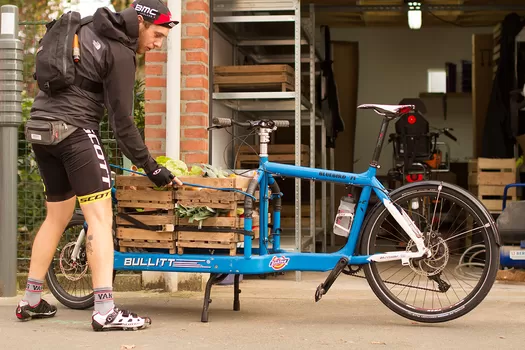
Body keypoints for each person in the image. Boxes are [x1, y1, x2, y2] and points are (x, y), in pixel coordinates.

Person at [15, 0, 182, 332]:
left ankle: (30, 301)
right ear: (142, 23)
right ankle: (105, 309)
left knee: (57, 215)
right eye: (158, 35)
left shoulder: (88, 26)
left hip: (40, 129)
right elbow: (123, 126)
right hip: (74, 131)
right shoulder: (120, 51)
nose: (157, 45)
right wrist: (152, 168)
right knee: (100, 219)